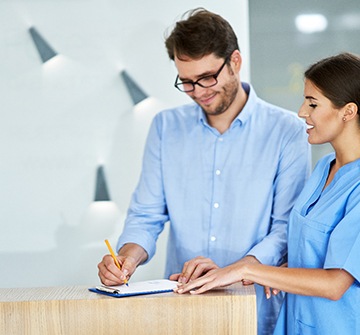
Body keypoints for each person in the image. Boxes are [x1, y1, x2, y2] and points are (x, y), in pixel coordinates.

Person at [97, 8, 311, 334]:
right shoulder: (165, 127)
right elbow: (146, 215)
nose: (199, 91)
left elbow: (286, 229)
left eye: (208, 77)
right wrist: (127, 258)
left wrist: (234, 271)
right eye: (187, 81)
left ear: (235, 61)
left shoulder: (288, 132)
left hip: (256, 309)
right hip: (180, 310)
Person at [174, 52, 360, 334]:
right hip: (295, 323)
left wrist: (246, 269)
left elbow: (336, 284)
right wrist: (243, 273)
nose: (301, 112)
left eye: (313, 103)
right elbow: (310, 253)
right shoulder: (324, 167)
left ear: (348, 111)